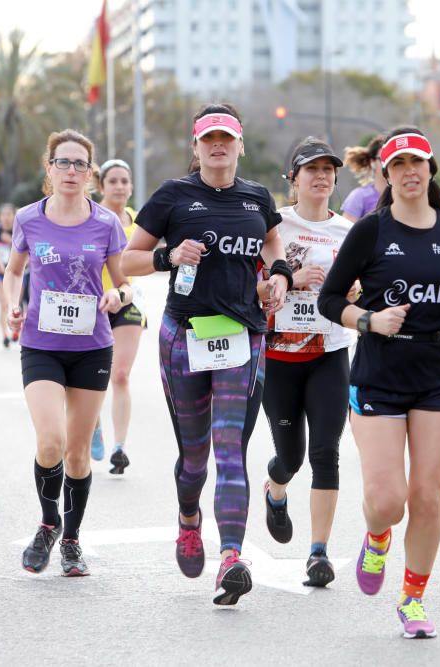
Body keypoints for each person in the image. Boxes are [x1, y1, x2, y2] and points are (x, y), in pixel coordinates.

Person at [318, 126, 440, 639]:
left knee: (429, 497)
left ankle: (412, 598)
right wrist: (369, 320)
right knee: (388, 500)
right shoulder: (371, 230)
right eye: (398, 166)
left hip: (437, 369)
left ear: (430, 169)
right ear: (386, 176)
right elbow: (329, 300)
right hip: (379, 373)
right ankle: (376, 536)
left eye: (418, 163)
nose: (409, 173)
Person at [121, 103, 290, 605]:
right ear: (196, 148)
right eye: (208, 138)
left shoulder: (257, 198)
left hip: (242, 336)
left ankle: (232, 558)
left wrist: (277, 277)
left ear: (240, 145)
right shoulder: (174, 196)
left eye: (227, 137)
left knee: (230, 450)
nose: (218, 145)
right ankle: (189, 518)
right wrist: (166, 256)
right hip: (185, 336)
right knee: (195, 457)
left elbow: (274, 247)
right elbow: (128, 260)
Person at [4, 129, 130, 577]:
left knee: (77, 454)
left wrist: (118, 296)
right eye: (64, 163)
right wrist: (13, 306)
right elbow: (13, 271)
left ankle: (72, 541)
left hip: (91, 348)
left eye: (80, 164)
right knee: (49, 441)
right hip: (40, 344)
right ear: (49, 168)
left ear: (90, 172)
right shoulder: (28, 219)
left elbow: (123, 280)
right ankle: (48, 522)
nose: (72, 171)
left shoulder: (106, 223)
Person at [260, 137, 354, 587]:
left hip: (329, 353)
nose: (321, 177)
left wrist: (353, 296)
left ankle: (319, 552)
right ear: (293, 179)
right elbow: (250, 289)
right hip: (278, 356)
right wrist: (290, 279)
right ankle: (275, 490)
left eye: (328, 170)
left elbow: (362, 290)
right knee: (291, 457)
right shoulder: (273, 225)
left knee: (325, 453)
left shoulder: (349, 231)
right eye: (311, 169)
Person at [90, 159, 145, 475]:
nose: (120, 187)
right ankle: (93, 424)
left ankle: (120, 448)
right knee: (93, 377)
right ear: (102, 186)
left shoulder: (139, 221)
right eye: (113, 181)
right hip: (91, 305)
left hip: (126, 301)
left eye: (125, 181)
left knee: (121, 374)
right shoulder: (91, 216)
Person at [341, 134, 387, 222]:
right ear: (372, 161)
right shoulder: (359, 197)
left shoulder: (405, 197)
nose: (387, 163)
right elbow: (345, 233)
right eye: (383, 159)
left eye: (392, 159)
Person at [0, 203, 16, 347]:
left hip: (15, 273)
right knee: (3, 304)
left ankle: (16, 331)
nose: (6, 217)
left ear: (14, 216)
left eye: (9, 214)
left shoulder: (19, 230)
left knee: (15, 304)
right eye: (3, 214)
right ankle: (4, 335)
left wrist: (11, 241)